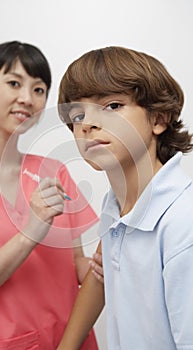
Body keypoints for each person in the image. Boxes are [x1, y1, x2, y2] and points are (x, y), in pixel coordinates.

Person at [0, 41, 102, 349]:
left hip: (69, 339)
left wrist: (107, 264)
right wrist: (30, 233)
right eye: (14, 83)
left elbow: (75, 264)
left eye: (39, 89)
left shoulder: (54, 171)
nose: (27, 98)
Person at [57, 46, 193, 349]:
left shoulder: (183, 224)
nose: (87, 124)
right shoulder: (115, 206)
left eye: (113, 105)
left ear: (158, 119)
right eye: (78, 114)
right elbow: (100, 276)